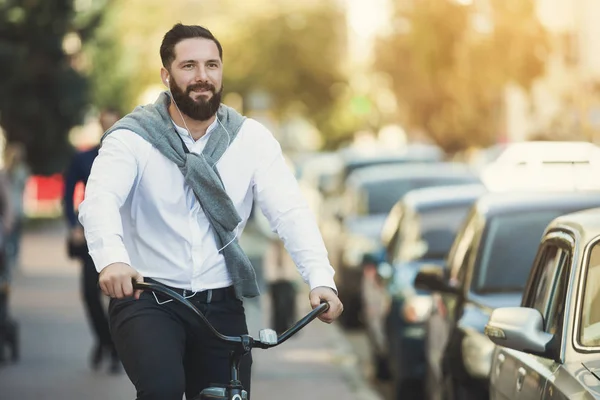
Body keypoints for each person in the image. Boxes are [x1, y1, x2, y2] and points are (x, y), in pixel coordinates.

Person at [78, 23, 343, 400]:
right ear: (166, 75)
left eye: (212, 65)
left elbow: (290, 212)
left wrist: (320, 279)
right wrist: (111, 260)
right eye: (189, 66)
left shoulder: (250, 139)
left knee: (228, 395)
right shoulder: (133, 137)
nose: (202, 76)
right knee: (162, 390)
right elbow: (100, 199)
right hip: (148, 298)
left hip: (220, 303)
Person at [63, 108, 122, 374]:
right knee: (89, 293)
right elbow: (67, 194)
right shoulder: (86, 158)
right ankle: (104, 340)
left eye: (114, 124)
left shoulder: (129, 157)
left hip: (124, 237)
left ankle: (115, 349)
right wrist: (73, 225)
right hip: (93, 235)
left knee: (118, 295)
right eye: (105, 124)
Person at [3, 142, 30, 273]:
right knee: (9, 238)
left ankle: (14, 260)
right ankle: (10, 261)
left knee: (15, 237)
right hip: (10, 210)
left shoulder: (21, 171)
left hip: (17, 208)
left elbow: (23, 186)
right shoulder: (6, 172)